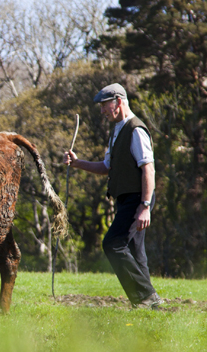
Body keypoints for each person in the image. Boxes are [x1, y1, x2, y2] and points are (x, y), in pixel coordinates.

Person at [64, 83, 162, 309]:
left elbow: (148, 169)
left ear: (118, 102)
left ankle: (146, 297)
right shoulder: (116, 130)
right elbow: (106, 166)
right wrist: (77, 163)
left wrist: (145, 206)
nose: (102, 111)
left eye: (104, 106)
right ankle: (150, 306)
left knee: (113, 244)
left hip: (138, 198)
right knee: (137, 253)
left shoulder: (135, 129)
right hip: (126, 199)